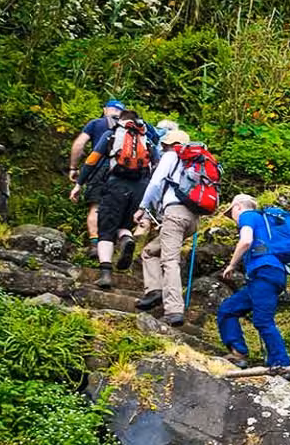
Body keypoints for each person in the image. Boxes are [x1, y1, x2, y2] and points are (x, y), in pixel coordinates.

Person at [76, 108, 157, 289]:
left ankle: (105, 273)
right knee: (126, 225)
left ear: (120, 120)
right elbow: (156, 168)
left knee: (106, 230)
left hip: (116, 184)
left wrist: (79, 183)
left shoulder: (111, 135)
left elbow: (92, 160)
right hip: (141, 187)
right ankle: (127, 239)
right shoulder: (147, 139)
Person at [215, 194, 290, 370]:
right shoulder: (264, 222)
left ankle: (282, 364)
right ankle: (238, 353)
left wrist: (232, 265)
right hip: (266, 275)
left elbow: (246, 241)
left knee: (263, 320)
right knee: (228, 309)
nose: (233, 218)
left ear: (238, 207)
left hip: (265, 273)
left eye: (231, 212)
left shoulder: (248, 216)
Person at [133, 127, 198, 326]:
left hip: (175, 214)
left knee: (169, 260)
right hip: (193, 219)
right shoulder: (196, 162)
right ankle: (154, 290)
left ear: (170, 144)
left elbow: (155, 183)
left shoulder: (172, 156)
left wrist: (142, 207)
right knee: (150, 252)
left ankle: (174, 310)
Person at [69, 99, 124, 246]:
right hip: (125, 174)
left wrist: (73, 168)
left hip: (101, 170)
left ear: (106, 109)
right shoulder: (131, 129)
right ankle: (113, 245)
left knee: (96, 207)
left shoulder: (96, 123)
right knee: (118, 208)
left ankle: (94, 243)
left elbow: (79, 144)